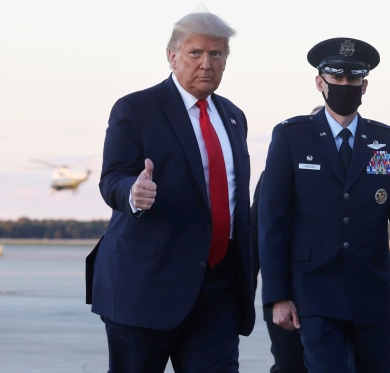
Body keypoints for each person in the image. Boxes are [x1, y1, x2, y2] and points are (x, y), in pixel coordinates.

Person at [85, 11, 255, 373]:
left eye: (217, 54)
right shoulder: (136, 109)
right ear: (172, 55)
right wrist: (133, 192)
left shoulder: (234, 117)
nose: (207, 64)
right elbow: (112, 177)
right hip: (146, 287)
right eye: (196, 53)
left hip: (218, 289)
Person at [258, 37, 390, 372]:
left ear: (364, 86)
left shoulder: (387, 142)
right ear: (319, 83)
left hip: (373, 293)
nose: (344, 86)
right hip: (313, 293)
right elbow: (272, 221)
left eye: (352, 79)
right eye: (336, 78)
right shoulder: (292, 137)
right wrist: (277, 296)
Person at [252, 105, 323, 373]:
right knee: (290, 365)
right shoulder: (275, 173)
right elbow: (258, 234)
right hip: (288, 292)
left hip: (340, 296)